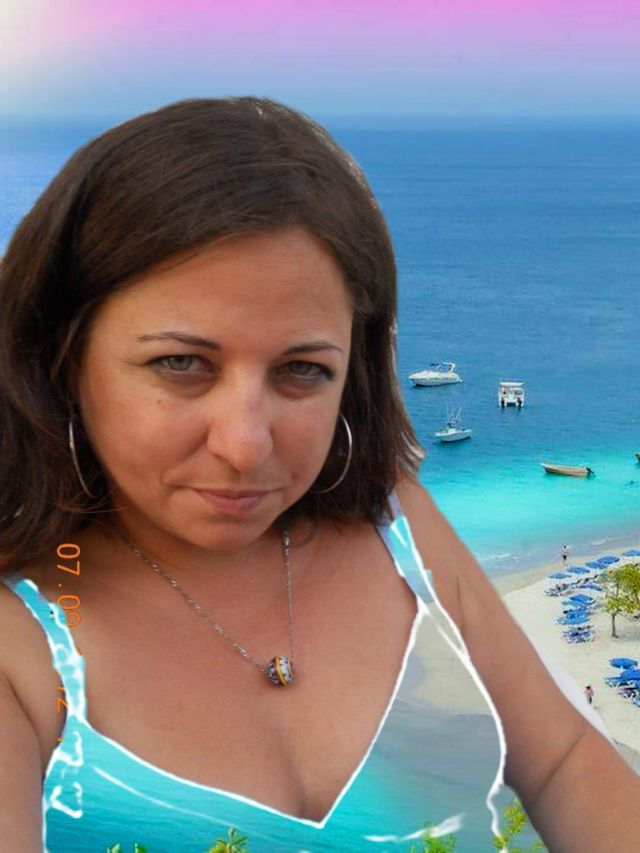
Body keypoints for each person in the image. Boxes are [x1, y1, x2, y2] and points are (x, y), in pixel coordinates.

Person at [0, 98, 638, 853]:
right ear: (62, 359)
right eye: (181, 363)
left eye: (301, 370)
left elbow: (565, 761)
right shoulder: (22, 643)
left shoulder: (398, 528)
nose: (245, 445)